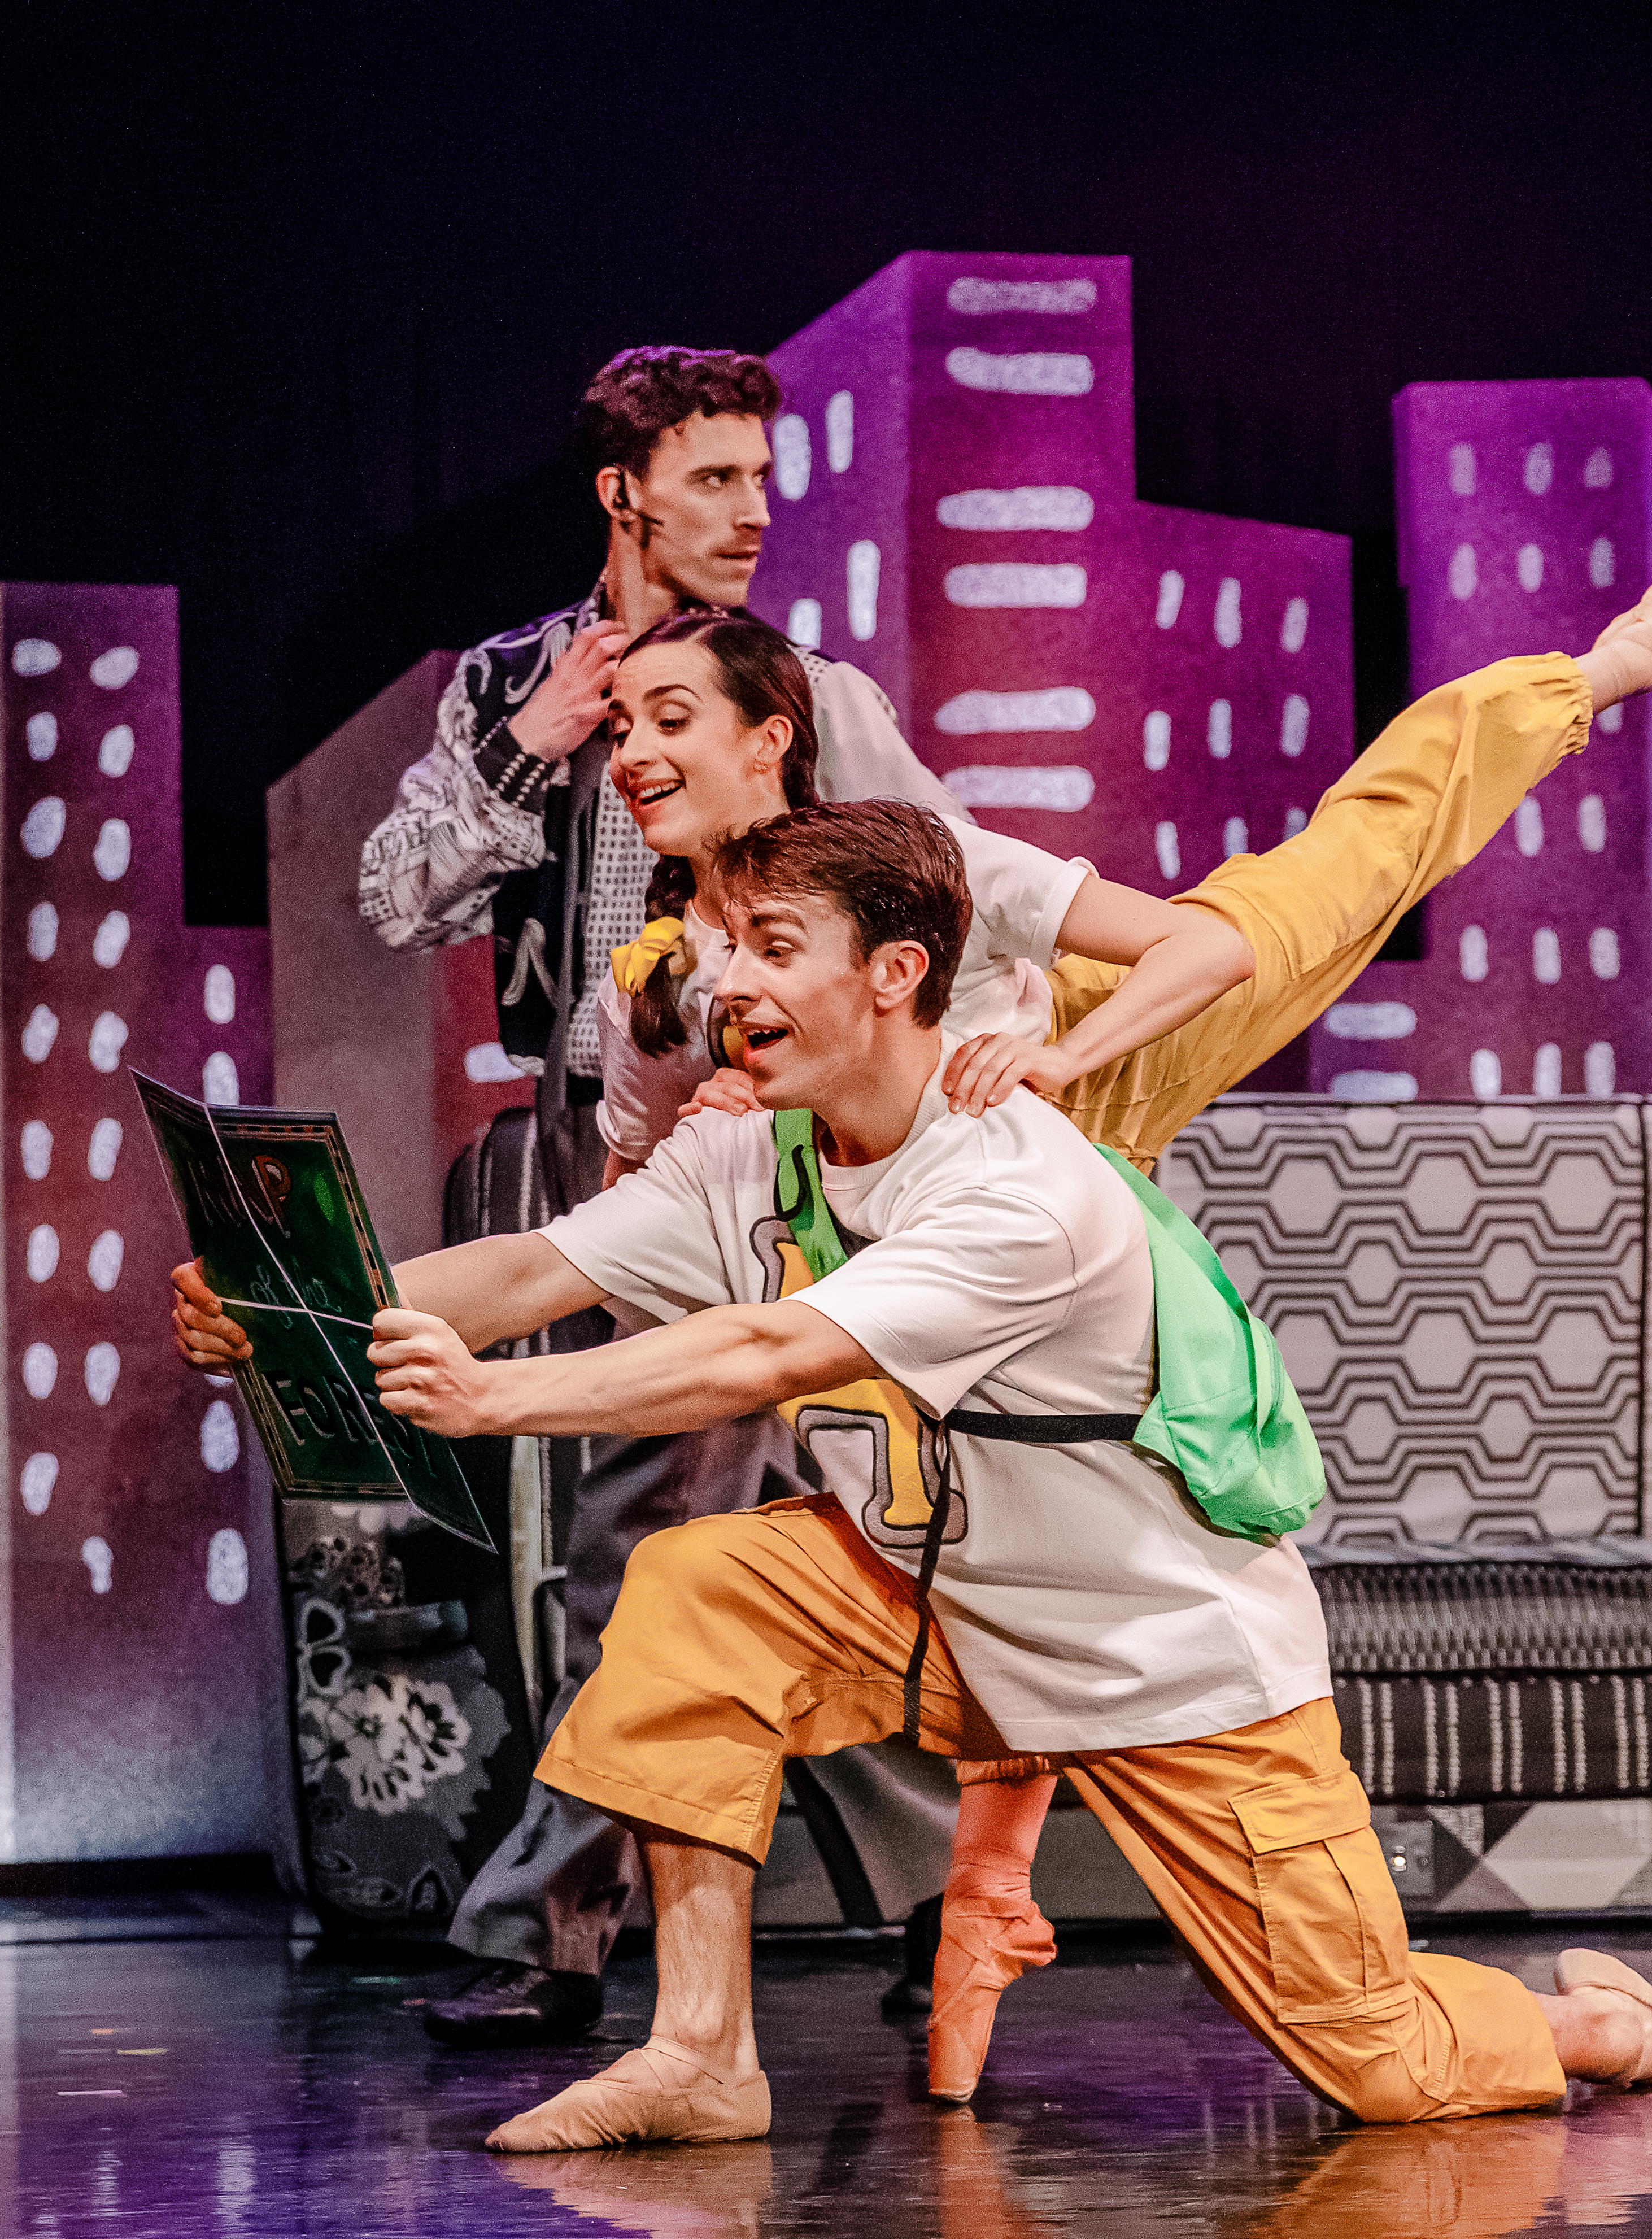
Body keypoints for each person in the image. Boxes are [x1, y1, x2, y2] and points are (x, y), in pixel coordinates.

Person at [185, 799, 1652, 2150]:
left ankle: (1603, 2022)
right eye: (726, 942)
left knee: (1385, 2065)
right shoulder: (753, 1150)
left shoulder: (1015, 1188)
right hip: (931, 1601)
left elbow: (764, 1355)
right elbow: (535, 1262)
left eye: (772, 943)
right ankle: (699, 2051)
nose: (729, 980)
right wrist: (284, 1304)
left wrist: (484, 1411)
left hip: (1159, 1650)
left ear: (895, 971)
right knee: (699, 1587)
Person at [575, 529, 1652, 2096]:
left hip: (1068, 1089)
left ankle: (1589, 671)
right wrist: (712, 1099)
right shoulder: (661, 963)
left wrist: (1071, 1063)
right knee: (966, 1495)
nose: (638, 751)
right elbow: (639, 1183)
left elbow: (1195, 942)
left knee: (1325, 877)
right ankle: (947, 1908)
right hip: (901, 1219)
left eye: (673, 717)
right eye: (622, 727)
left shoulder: (918, 865)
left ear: (766, 736)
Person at [355, 345, 969, 2051]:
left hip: (753, 1137)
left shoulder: (809, 691)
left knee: (659, 1544)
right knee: (726, 1543)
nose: (752, 513)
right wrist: (525, 752)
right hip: (576, 1132)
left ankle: (543, 1928)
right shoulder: (509, 685)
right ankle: (950, 1888)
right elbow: (394, 899)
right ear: (621, 492)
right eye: (712, 480)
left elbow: (945, 883)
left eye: (763, 481)